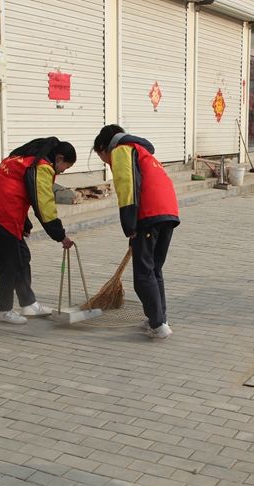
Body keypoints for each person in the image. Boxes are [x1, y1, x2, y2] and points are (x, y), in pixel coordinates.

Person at [0, 138, 76, 325]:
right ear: (59, 158)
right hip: (1, 215)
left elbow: (19, 192)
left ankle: (28, 303)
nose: (61, 172)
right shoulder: (41, 167)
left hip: (6, 211)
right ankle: (3, 310)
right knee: (9, 264)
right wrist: (60, 236)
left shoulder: (26, 160)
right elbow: (44, 205)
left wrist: (24, 222)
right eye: (64, 168)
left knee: (21, 257)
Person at [92, 125, 180, 339]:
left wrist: (130, 226)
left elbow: (127, 187)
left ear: (104, 147)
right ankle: (159, 319)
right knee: (154, 270)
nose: (106, 161)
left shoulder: (121, 150)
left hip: (149, 214)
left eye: (102, 156)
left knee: (143, 275)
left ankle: (159, 326)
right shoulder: (142, 151)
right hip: (168, 213)